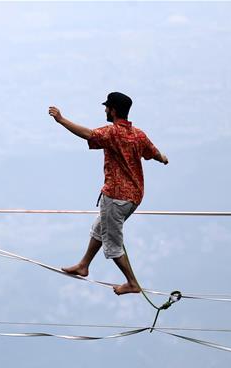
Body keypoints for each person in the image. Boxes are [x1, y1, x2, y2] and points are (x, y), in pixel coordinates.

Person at [48, 92, 169, 295]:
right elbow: (153, 152)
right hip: (134, 198)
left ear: (113, 110)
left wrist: (61, 120)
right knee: (100, 228)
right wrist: (163, 158)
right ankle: (83, 265)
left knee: (112, 242)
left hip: (116, 197)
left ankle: (132, 282)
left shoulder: (113, 133)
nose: (105, 110)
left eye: (107, 107)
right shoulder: (138, 135)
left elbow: (88, 134)